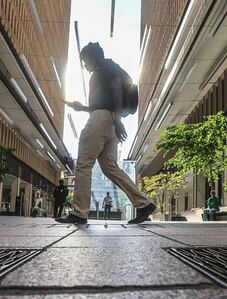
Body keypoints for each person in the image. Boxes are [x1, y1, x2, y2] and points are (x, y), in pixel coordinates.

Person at [56, 42, 155, 224]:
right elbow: (106, 101)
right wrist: (84, 108)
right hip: (108, 120)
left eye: (85, 61)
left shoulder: (104, 67)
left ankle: (79, 212)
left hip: (102, 120)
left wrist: (117, 119)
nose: (85, 66)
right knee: (110, 167)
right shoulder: (108, 68)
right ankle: (144, 204)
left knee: (84, 164)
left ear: (94, 57)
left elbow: (116, 87)